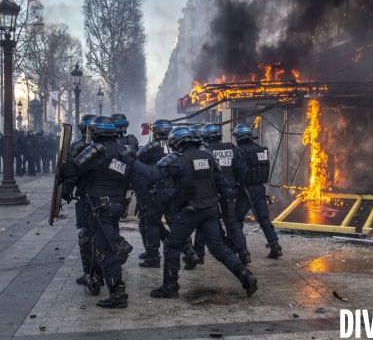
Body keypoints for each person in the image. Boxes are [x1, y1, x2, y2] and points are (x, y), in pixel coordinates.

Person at [120, 127, 258, 299]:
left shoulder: (178, 159)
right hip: (210, 209)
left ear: (177, 143)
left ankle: (170, 287)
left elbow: (153, 173)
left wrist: (130, 161)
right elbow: (223, 185)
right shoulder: (207, 156)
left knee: (172, 245)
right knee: (218, 248)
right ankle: (246, 276)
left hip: (190, 210)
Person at [60, 115, 150, 308]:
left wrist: (61, 169)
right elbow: (134, 177)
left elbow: (72, 171)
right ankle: (96, 277)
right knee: (103, 244)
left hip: (98, 206)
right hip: (116, 204)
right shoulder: (123, 151)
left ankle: (117, 293)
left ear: (95, 132)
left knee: (106, 248)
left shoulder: (95, 149)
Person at [197, 123, 251, 265]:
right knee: (232, 222)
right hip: (229, 191)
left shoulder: (204, 151)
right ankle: (243, 251)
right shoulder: (232, 149)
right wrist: (237, 185)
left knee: (207, 221)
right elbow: (243, 170)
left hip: (212, 193)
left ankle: (200, 254)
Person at [233, 123, 283, 259]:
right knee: (264, 219)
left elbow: (237, 171)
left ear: (238, 137)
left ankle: (242, 251)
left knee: (237, 220)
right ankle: (275, 246)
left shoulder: (239, 151)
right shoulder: (260, 149)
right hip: (260, 189)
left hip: (246, 190)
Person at [63, 114, 98, 290]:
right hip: (112, 198)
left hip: (87, 196)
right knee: (108, 233)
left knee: (87, 235)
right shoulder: (115, 147)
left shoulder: (78, 146)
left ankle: (90, 275)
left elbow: (71, 172)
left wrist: (66, 192)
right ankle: (107, 270)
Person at [136, 119, 176, 268]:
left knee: (151, 221)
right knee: (174, 222)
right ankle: (188, 251)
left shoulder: (153, 145)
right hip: (173, 189)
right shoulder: (175, 145)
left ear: (157, 132)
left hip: (156, 190)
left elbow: (137, 159)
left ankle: (153, 257)